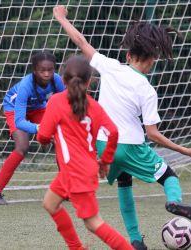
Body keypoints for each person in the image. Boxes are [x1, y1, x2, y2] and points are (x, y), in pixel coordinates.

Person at [53, 5, 191, 250]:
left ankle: (135, 241)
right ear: (153, 60)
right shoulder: (147, 90)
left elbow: (81, 42)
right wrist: (186, 151)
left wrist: (60, 17)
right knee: (169, 178)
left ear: (128, 56)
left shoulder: (111, 67)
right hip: (132, 145)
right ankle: (174, 202)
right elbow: (152, 134)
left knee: (124, 184)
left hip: (104, 145)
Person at [37, 55, 133, 250]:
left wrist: (46, 137)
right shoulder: (94, 106)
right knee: (50, 203)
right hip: (75, 171)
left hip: (75, 173)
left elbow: (42, 136)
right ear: (89, 81)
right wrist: (105, 161)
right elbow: (113, 132)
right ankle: (76, 248)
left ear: (63, 79)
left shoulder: (56, 101)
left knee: (93, 223)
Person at [0, 50, 65, 205]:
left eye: (50, 70)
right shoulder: (26, 86)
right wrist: (38, 128)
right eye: (42, 71)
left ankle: (65, 187)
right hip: (14, 108)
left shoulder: (57, 80)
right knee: (22, 147)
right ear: (34, 71)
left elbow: (65, 103)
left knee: (61, 137)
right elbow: (20, 121)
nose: (47, 74)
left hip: (37, 107)